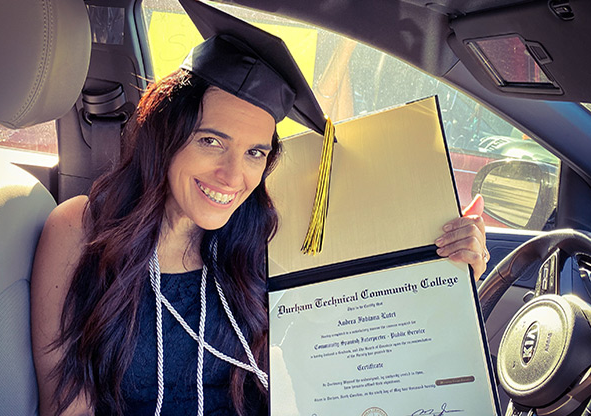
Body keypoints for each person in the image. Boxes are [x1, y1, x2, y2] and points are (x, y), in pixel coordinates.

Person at [30, 1, 490, 415]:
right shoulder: (81, 230)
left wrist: (447, 278)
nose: (233, 178)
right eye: (211, 141)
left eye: (255, 152)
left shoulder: (267, 238)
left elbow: (357, 339)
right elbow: (65, 405)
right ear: (166, 135)